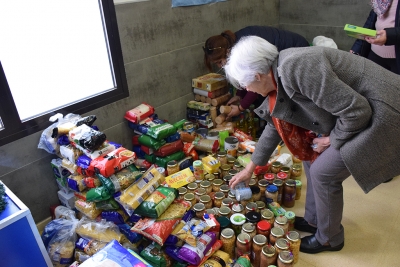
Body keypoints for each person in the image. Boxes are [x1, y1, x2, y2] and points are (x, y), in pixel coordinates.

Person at [226, 36, 400, 254]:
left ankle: (330, 238)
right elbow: (275, 124)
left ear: (257, 76)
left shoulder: (297, 69)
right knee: (310, 156)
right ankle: (315, 221)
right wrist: (250, 168)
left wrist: (331, 140)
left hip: (384, 114)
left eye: (245, 85)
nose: (247, 90)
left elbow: (357, 111)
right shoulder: (278, 70)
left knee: (323, 173)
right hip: (363, 111)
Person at [202, 26, 309, 118]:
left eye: (219, 61)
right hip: (284, 54)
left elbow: (255, 80)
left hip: (298, 51)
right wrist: (240, 96)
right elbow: (246, 77)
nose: (220, 66)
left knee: (289, 100)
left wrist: (241, 107)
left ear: (227, 51)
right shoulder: (233, 43)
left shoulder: (242, 49)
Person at [351, 0, 400, 74]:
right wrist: (357, 49)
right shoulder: (378, 1)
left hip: (396, 61)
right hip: (374, 55)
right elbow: (371, 22)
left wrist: (389, 35)